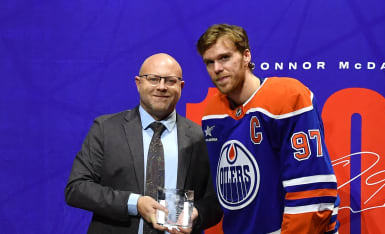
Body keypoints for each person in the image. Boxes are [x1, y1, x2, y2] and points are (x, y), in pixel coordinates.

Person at [196, 24, 340, 234]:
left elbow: (312, 189)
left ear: (246, 56)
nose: (217, 68)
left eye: (224, 57)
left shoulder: (289, 98)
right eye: (210, 62)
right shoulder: (212, 113)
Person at [65, 53, 222, 234]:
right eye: (153, 79)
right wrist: (136, 203)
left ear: (181, 86)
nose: (161, 87)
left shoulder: (199, 137)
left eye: (170, 81)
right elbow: (77, 188)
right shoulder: (106, 129)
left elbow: (215, 201)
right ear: (138, 83)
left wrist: (196, 213)